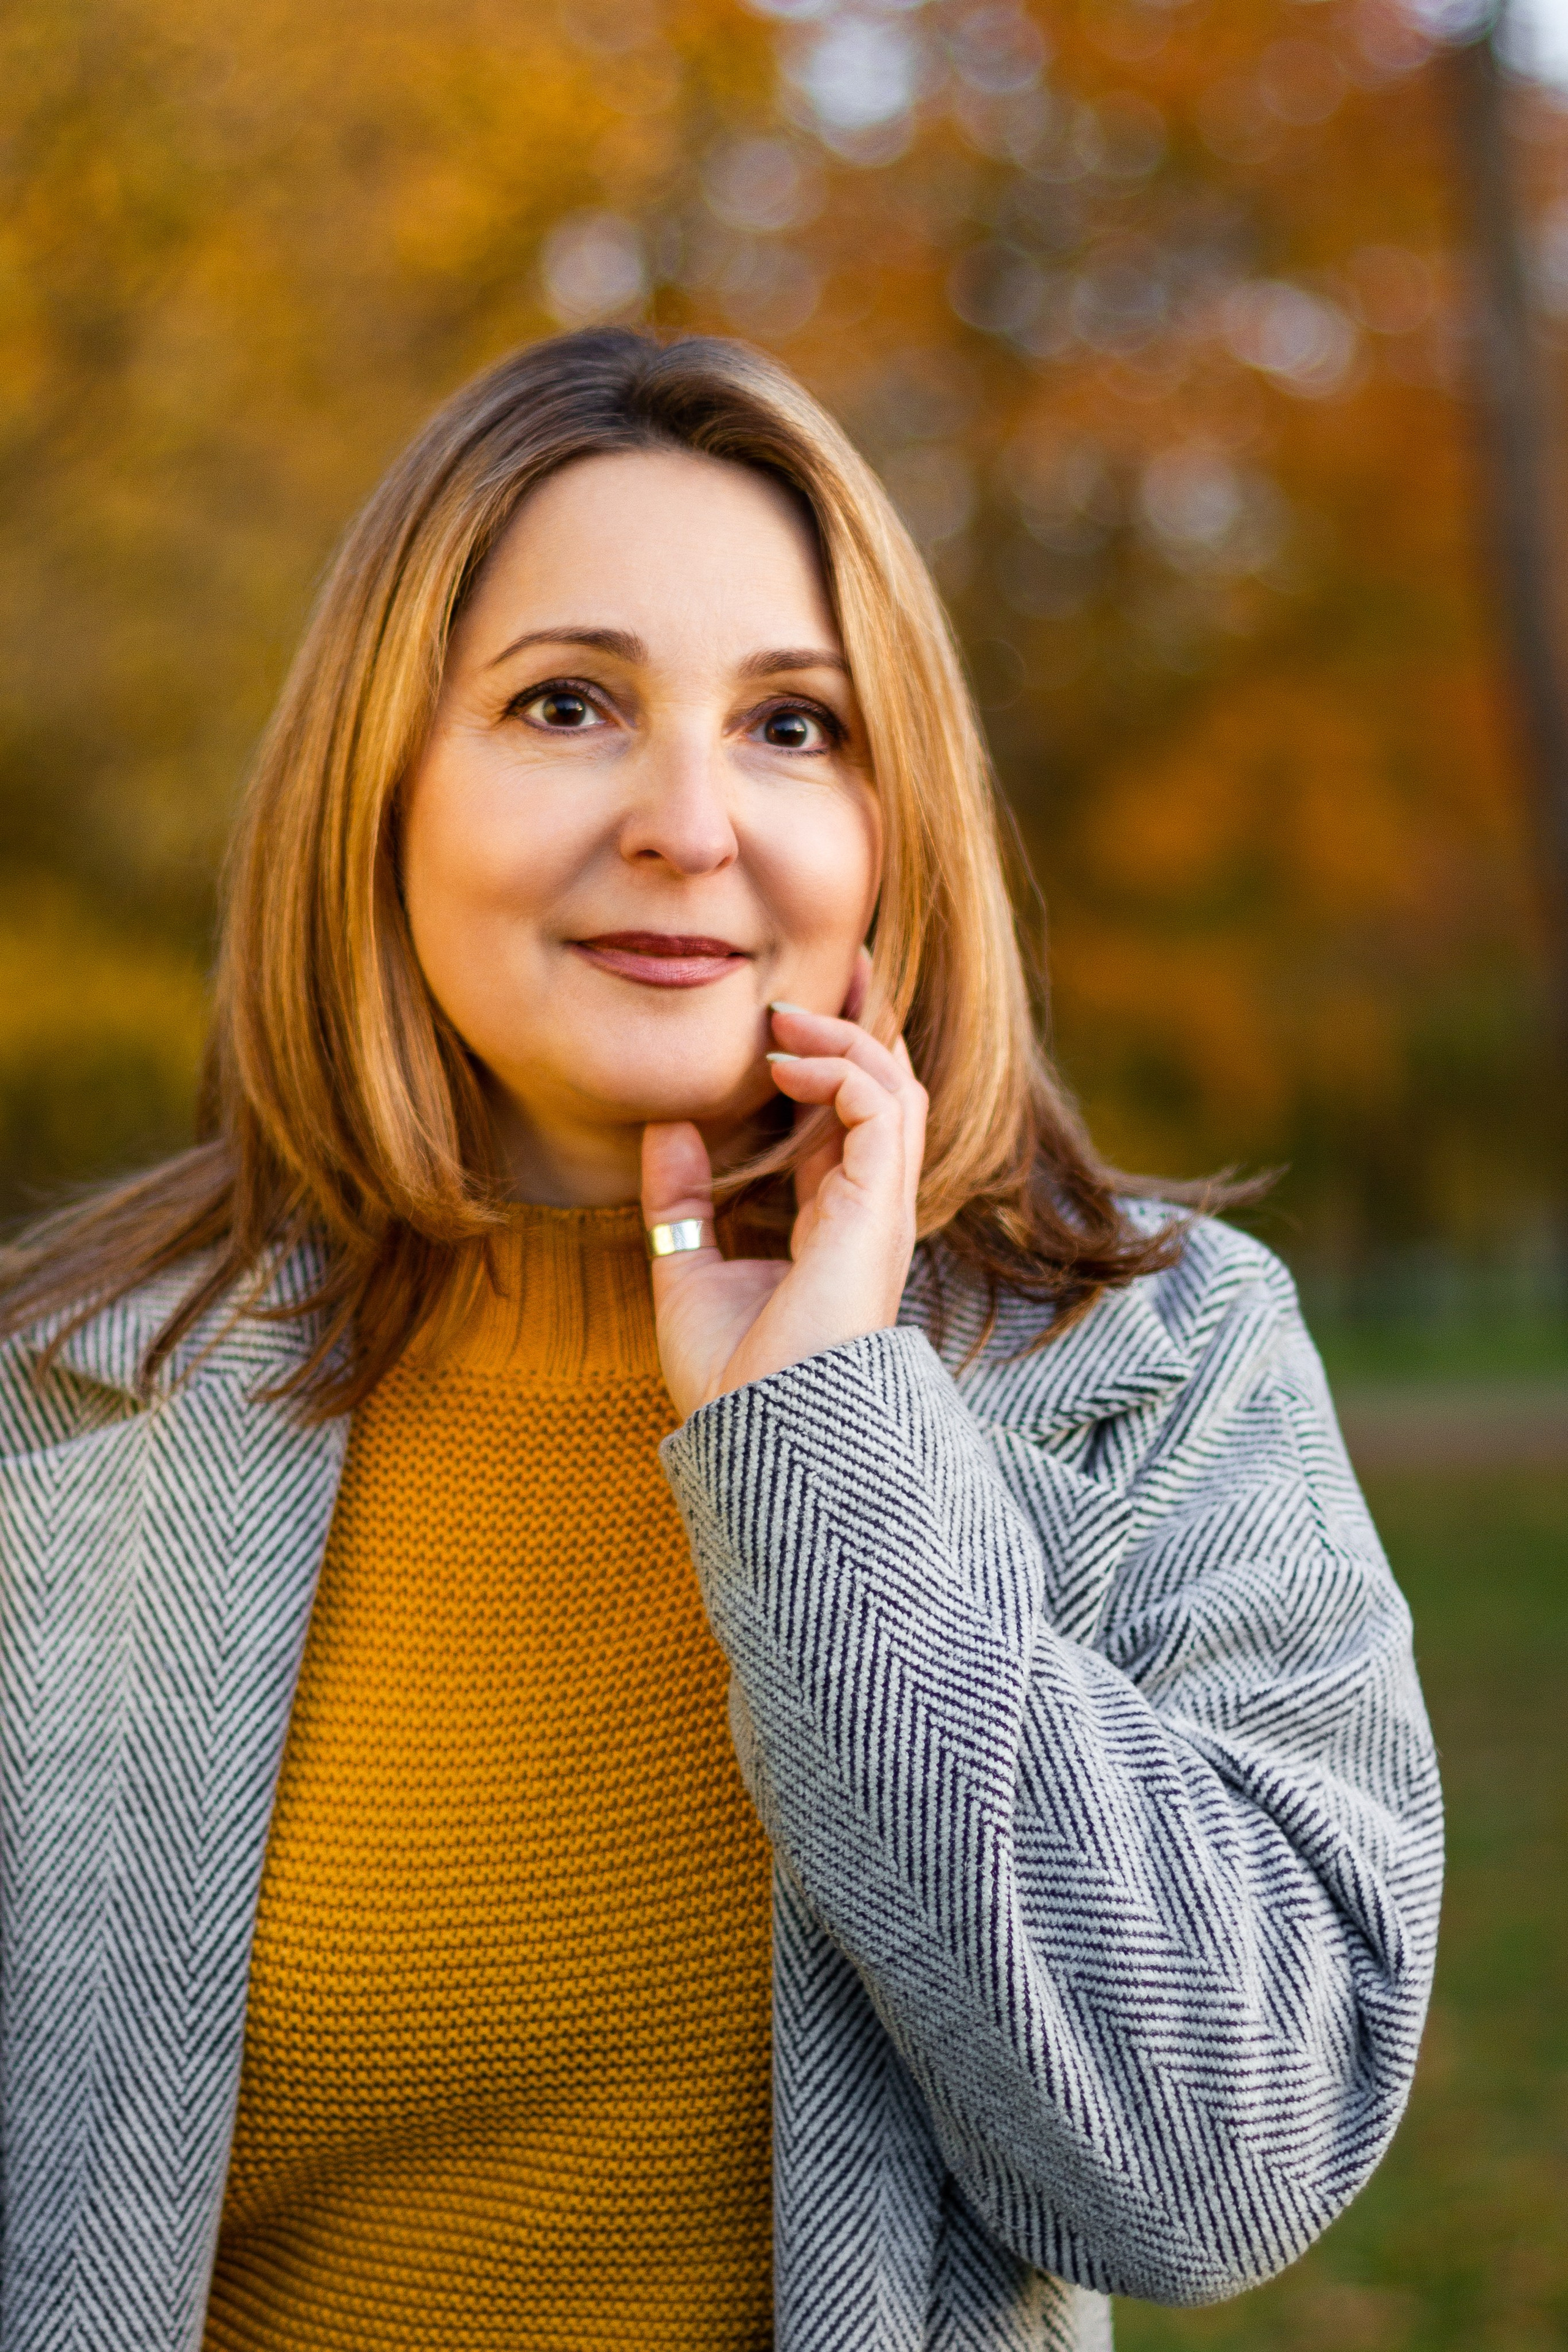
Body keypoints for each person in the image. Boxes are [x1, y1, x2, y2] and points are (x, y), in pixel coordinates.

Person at [0, 328, 1441, 2352]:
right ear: (383, 782)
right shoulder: (66, 1392)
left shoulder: (1157, 1363)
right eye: (567, 704)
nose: (691, 822)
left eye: (794, 726)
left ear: (894, 816)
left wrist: (831, 1454)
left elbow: (1230, 2155)